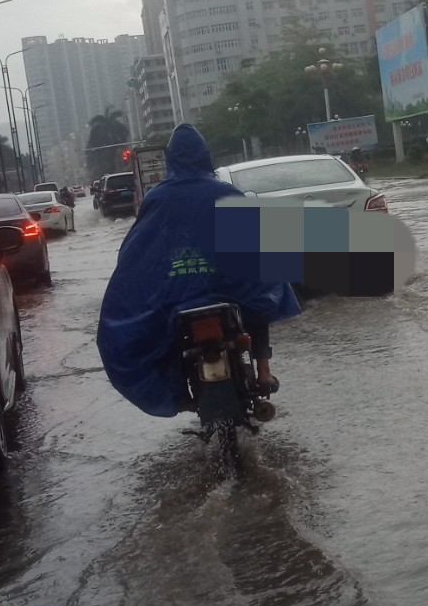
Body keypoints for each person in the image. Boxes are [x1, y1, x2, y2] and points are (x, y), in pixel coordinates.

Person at [98, 124, 300, 417]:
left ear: (171, 160)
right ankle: (265, 372)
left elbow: (136, 250)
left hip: (176, 295)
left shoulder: (157, 198)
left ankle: (178, 391)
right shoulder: (225, 192)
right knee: (262, 295)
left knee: (162, 330)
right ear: (205, 156)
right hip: (229, 287)